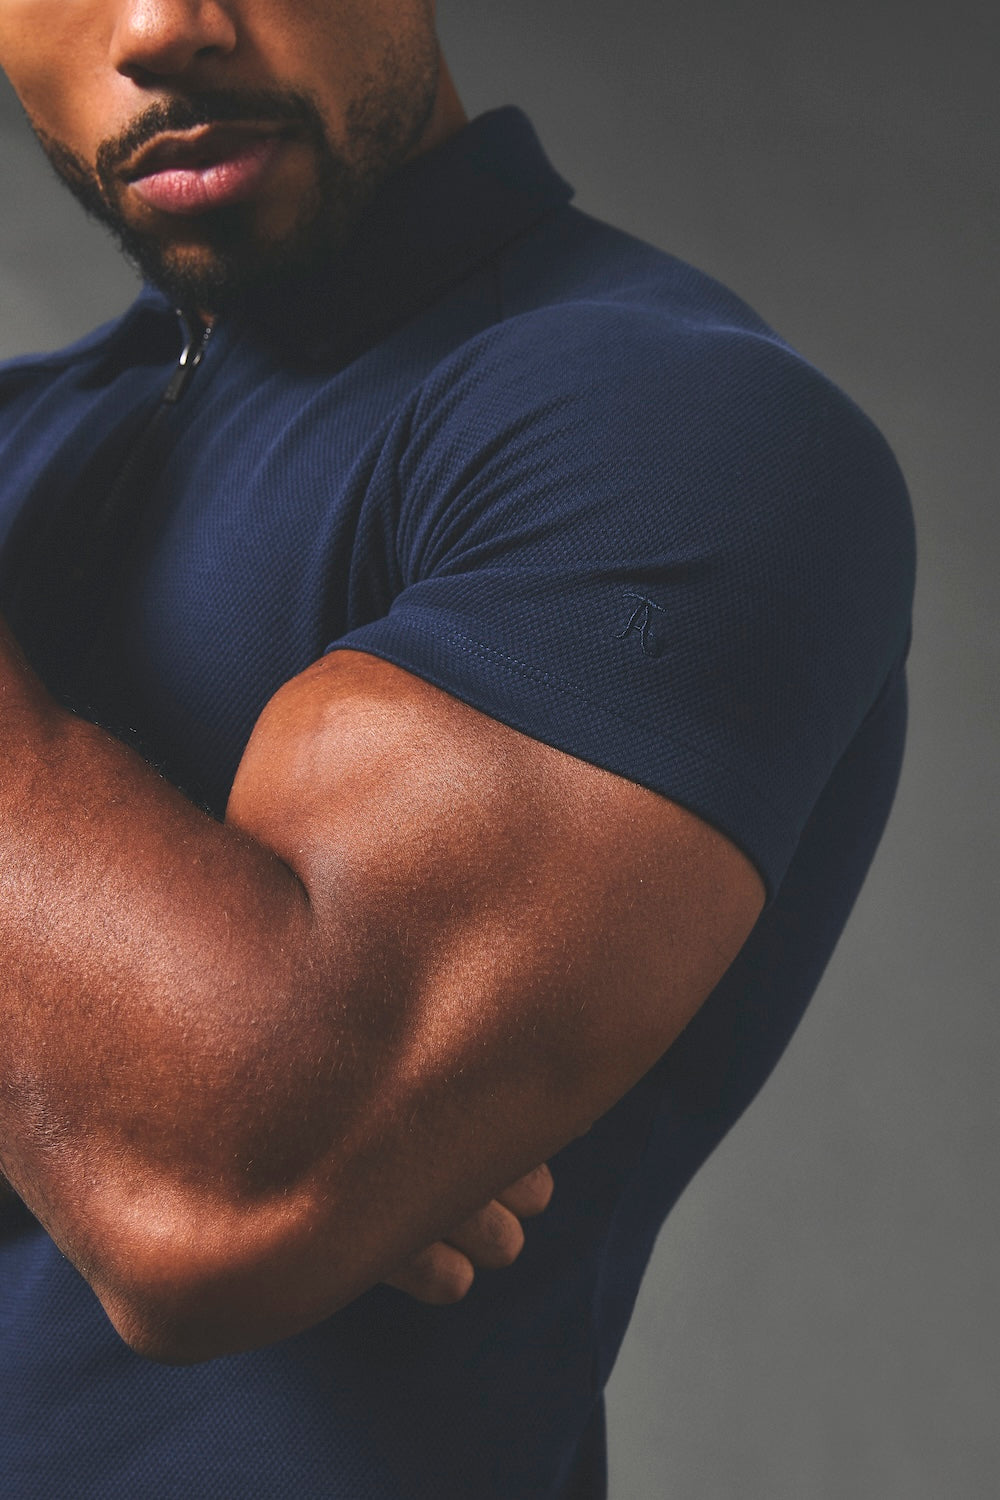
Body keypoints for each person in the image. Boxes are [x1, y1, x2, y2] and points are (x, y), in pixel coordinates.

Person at [0, 1, 915, 1495]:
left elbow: (218, 1184)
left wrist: (241, 1105)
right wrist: (138, 1031)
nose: (163, 24)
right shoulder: (33, 431)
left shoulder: (673, 421)